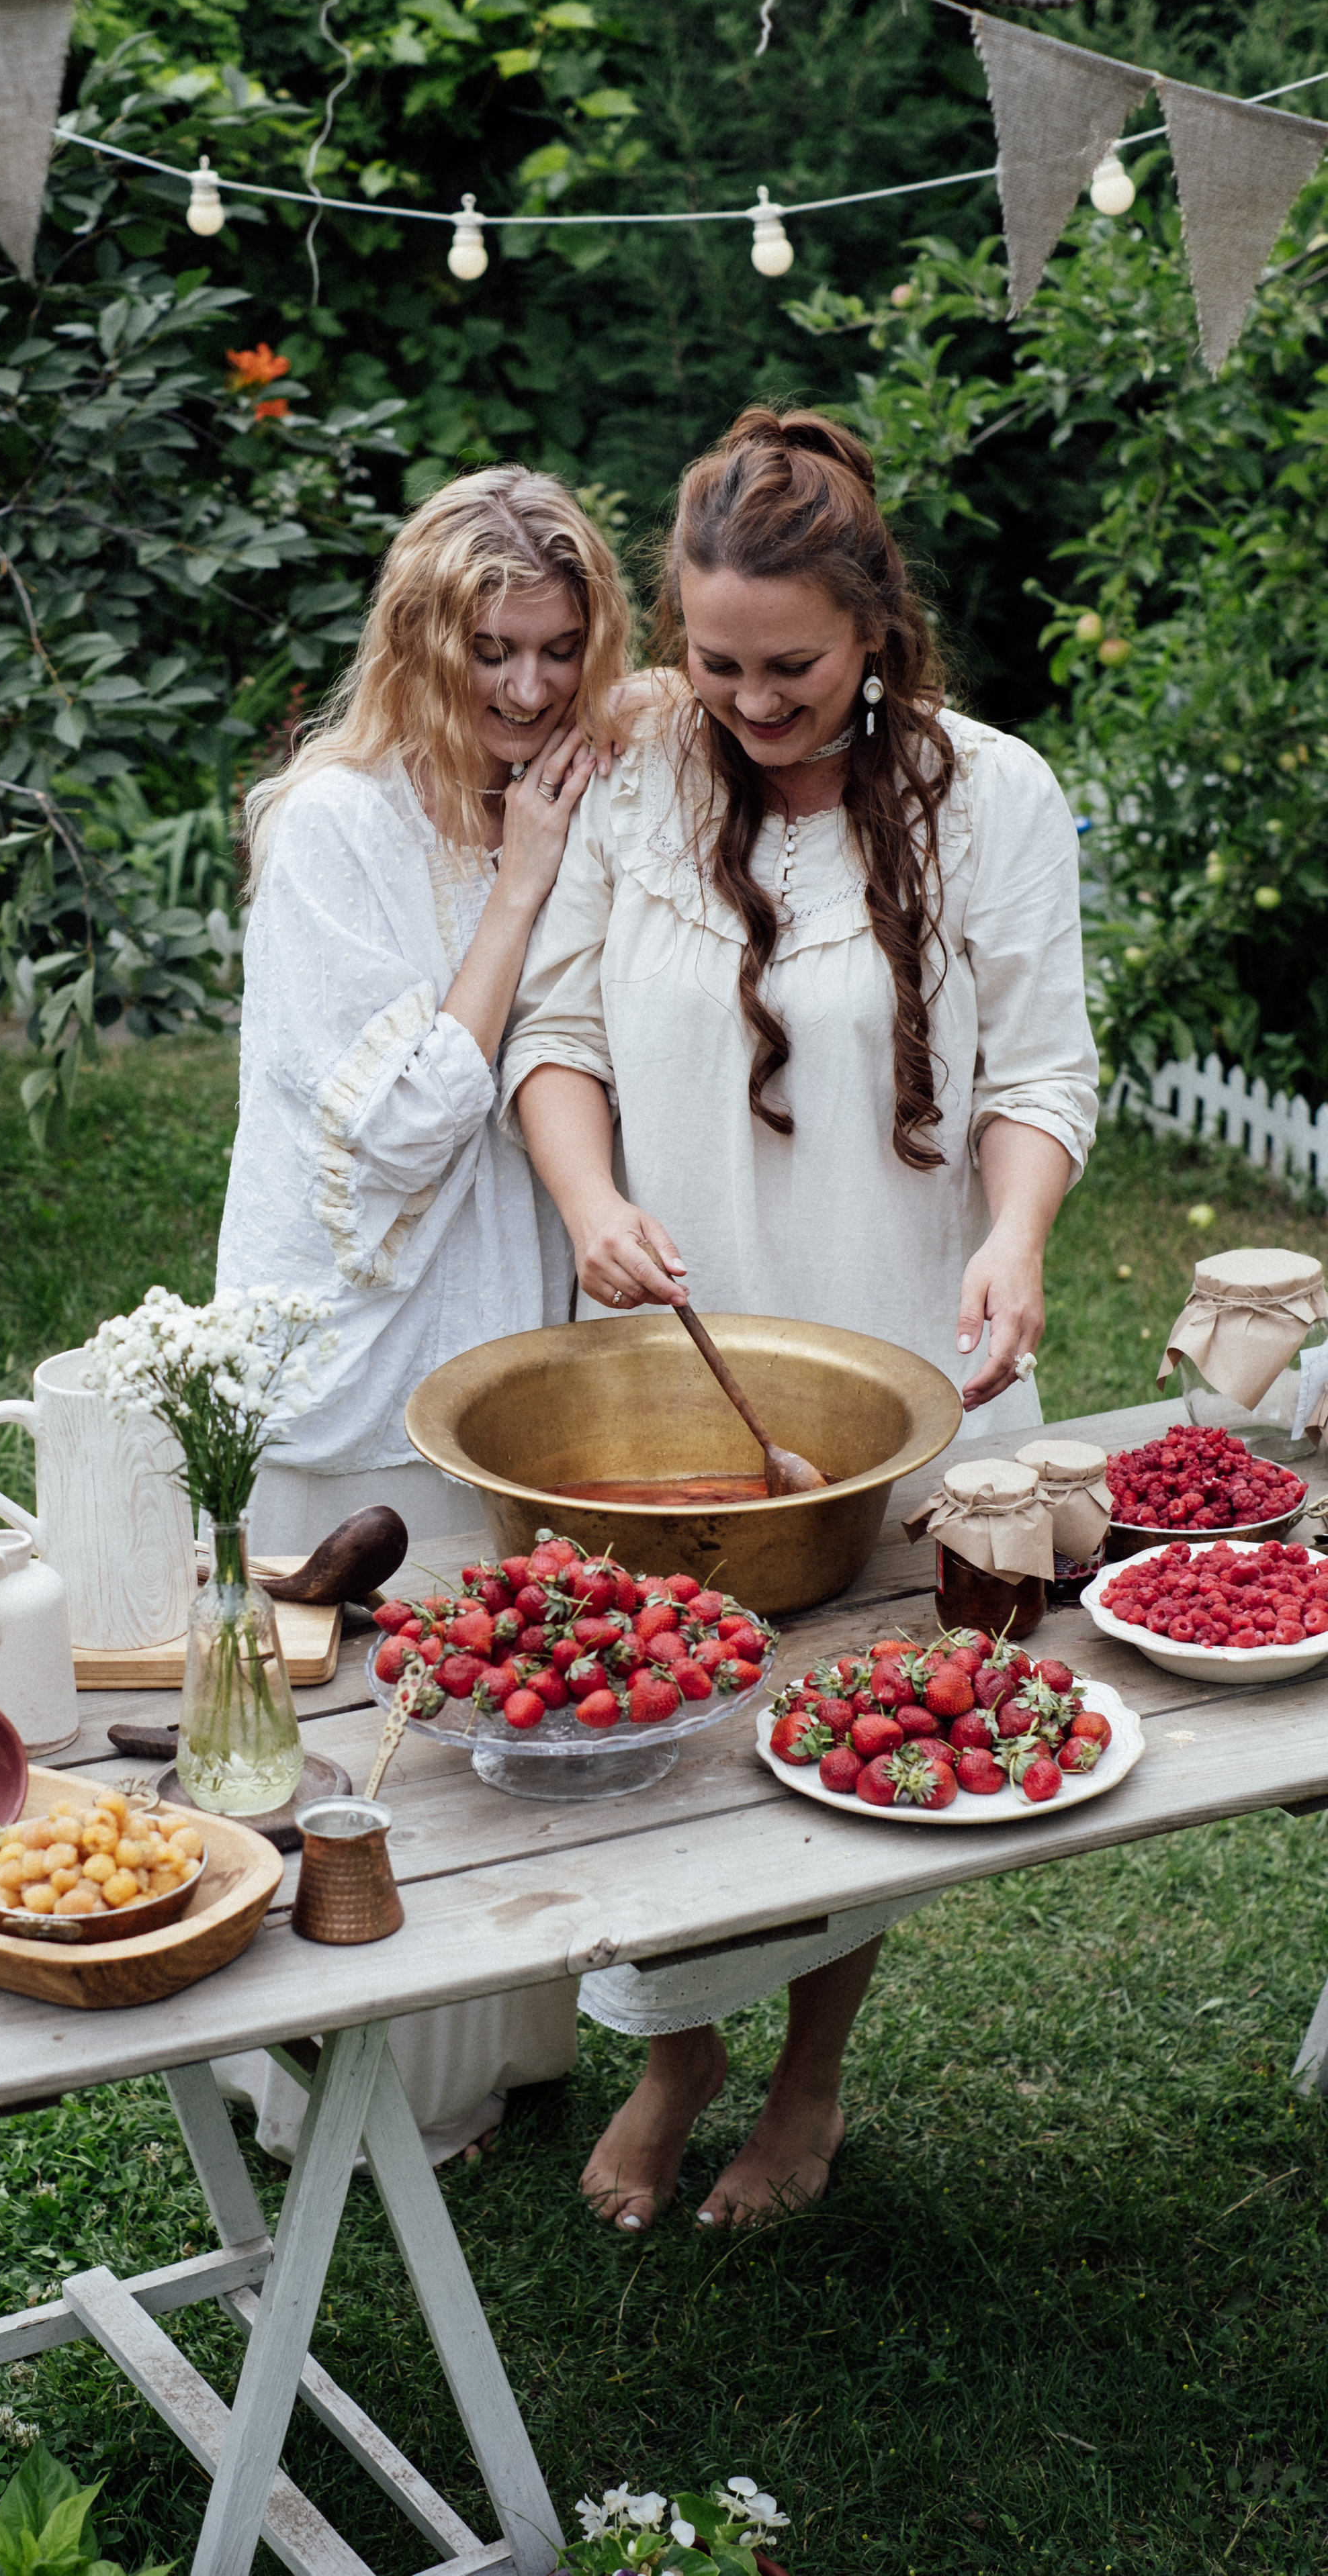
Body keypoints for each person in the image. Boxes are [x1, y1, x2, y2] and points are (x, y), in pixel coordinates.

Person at [502, 407, 1099, 2229]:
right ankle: (678, 2049)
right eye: (712, 659)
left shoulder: (994, 793)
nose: (746, 702)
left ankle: (812, 2068)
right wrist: (593, 1200)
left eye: (791, 669)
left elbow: (1047, 1072)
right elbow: (559, 1038)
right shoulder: (634, 768)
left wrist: (1014, 1240)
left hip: (897, 1332)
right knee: (670, 1719)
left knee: (851, 1730)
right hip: (671, 1367)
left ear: (875, 637)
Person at [212, 465, 631, 2164]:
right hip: (353, 1345)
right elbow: (395, 1124)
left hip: (503, 1334)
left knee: (490, 1721)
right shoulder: (334, 826)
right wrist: (521, 888)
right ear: (416, 645)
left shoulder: (564, 770)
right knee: (343, 1739)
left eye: (557, 647)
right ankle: (305, 2070)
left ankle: (496, 2055)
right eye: (490, 654)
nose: (526, 688)